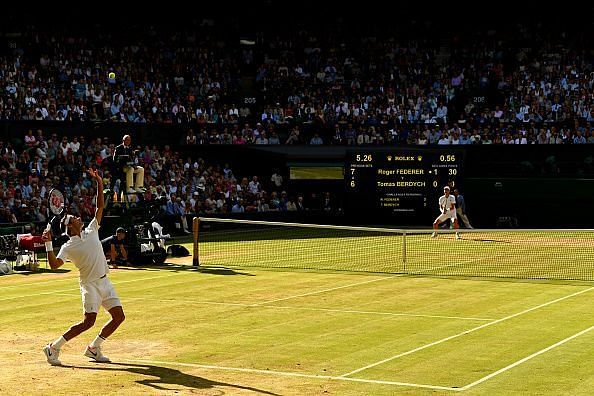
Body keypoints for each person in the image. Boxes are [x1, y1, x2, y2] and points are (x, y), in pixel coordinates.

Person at [42, 168, 125, 366]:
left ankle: (94, 348)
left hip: (105, 281)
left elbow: (100, 206)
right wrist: (47, 244)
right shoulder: (68, 247)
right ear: (70, 226)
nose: (80, 218)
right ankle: (53, 347)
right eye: (75, 218)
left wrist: (98, 181)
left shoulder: (91, 229)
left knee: (119, 317)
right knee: (89, 321)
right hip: (89, 285)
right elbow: (54, 265)